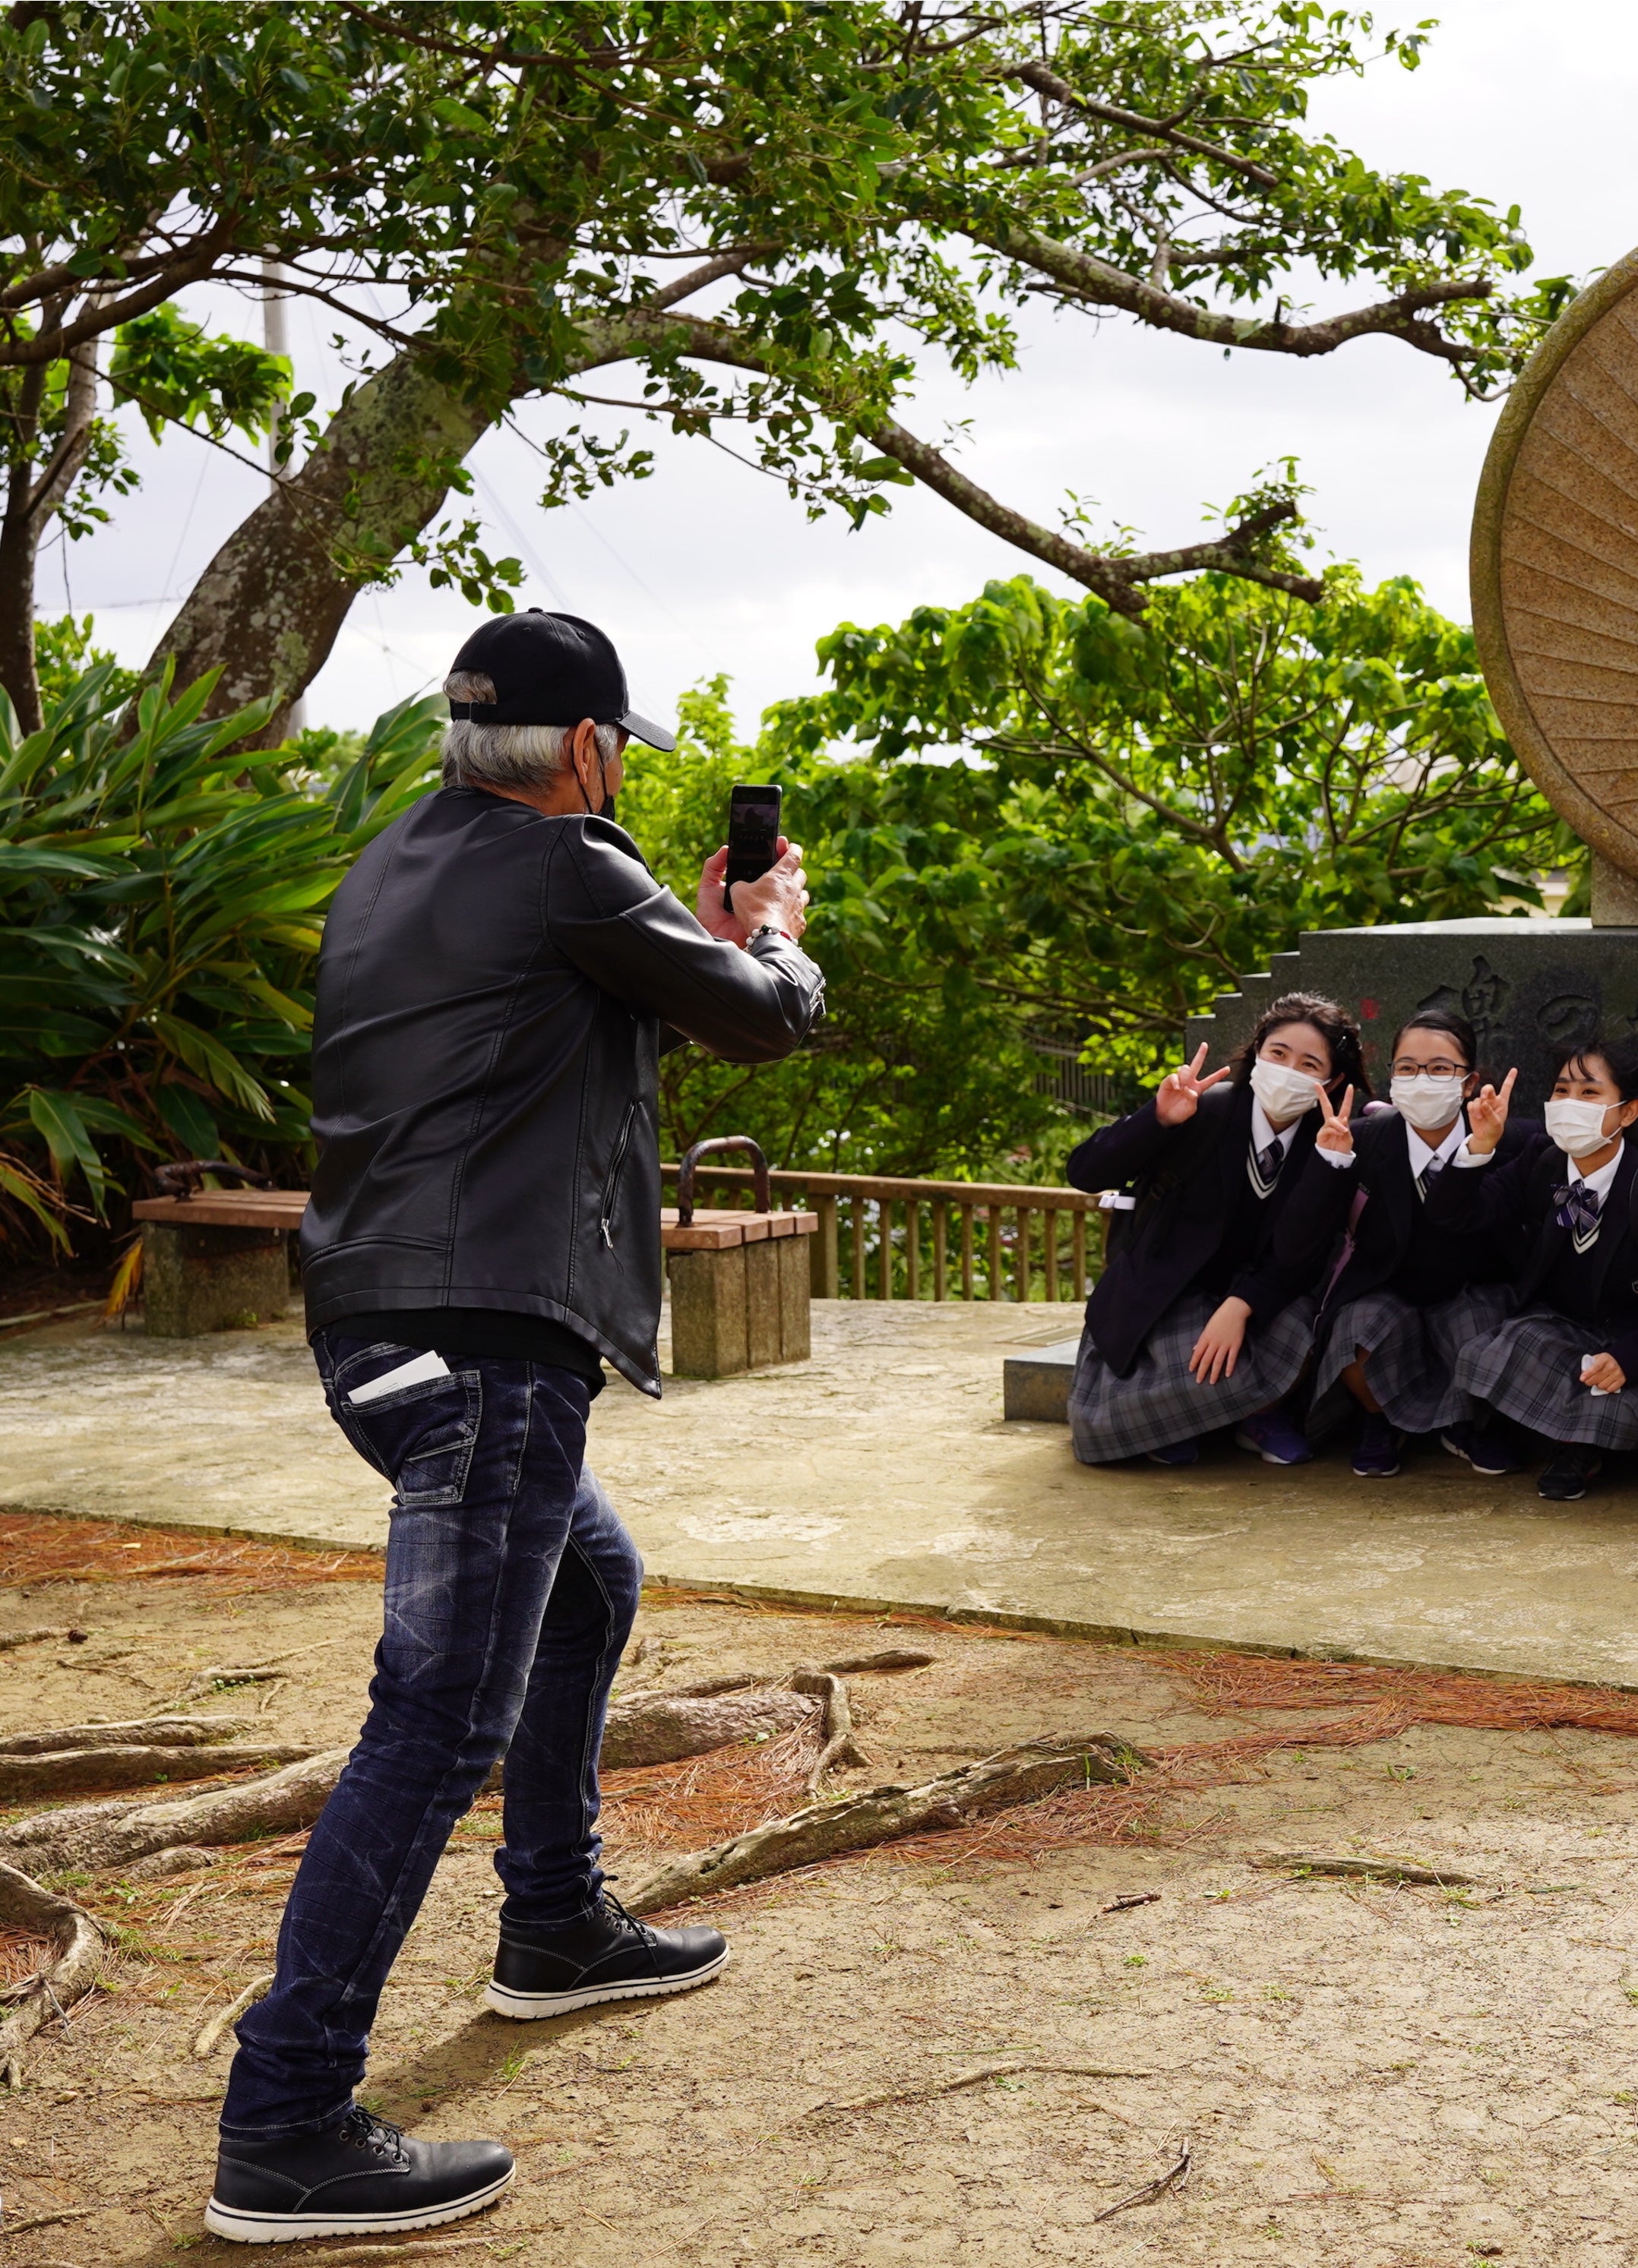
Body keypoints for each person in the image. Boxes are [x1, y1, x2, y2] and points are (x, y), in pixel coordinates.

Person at [216, 611, 824, 2243]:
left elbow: (575, 1007)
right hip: (485, 1349)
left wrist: (686, 931)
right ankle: (283, 2120)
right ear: (588, 752)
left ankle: (553, 1922)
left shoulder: (398, 858)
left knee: (589, 1586)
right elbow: (763, 1017)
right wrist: (775, 933)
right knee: (433, 1719)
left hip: (378, 1329)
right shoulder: (569, 867)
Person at [1063, 993, 1365, 1467]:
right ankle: (1195, 1416)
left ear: (1332, 1080)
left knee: (1294, 1332)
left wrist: (1242, 1305)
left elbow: (1299, 1253)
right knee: (1184, 1359)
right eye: (1278, 1054)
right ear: (1257, 1053)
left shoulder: (1331, 1144)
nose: (1289, 1071)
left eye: (1310, 1064)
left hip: (1266, 1294)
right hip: (1168, 1291)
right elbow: (1084, 1171)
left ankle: (1252, 1417)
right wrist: (1157, 1118)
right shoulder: (1202, 1110)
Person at [1435, 1038, 1638, 1502]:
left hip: (1634, 1339)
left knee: (1627, 1403)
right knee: (1494, 1350)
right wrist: (1480, 1144)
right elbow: (1455, 1215)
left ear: (1628, 1111)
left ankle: (1577, 1443)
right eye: (1561, 1091)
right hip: (1561, 1330)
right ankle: (1568, 1435)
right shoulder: (1541, 1164)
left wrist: (1632, 1358)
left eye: (1588, 1094)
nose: (1569, 1105)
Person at [1281, 1006, 1518, 1477]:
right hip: (1386, 1289)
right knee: (1355, 1334)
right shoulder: (1362, 1139)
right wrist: (1329, 1164)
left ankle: (1464, 1425)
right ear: (1391, 1077)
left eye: (1440, 1069)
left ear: (1469, 1082)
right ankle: (1381, 1419)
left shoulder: (1508, 1141)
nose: (1422, 1079)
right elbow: (1296, 1243)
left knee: (1484, 1335)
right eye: (1408, 1068)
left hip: (1471, 1288)